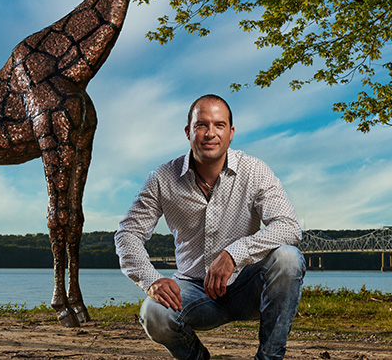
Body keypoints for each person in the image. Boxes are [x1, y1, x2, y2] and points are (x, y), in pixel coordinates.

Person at [114, 94, 305, 360]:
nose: (210, 133)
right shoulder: (162, 178)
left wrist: (233, 254)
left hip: (247, 287)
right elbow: (128, 233)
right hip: (195, 292)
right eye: (201, 125)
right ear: (188, 132)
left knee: (289, 258)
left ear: (231, 133)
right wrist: (151, 280)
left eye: (219, 125)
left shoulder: (256, 171)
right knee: (153, 314)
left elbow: (288, 227)